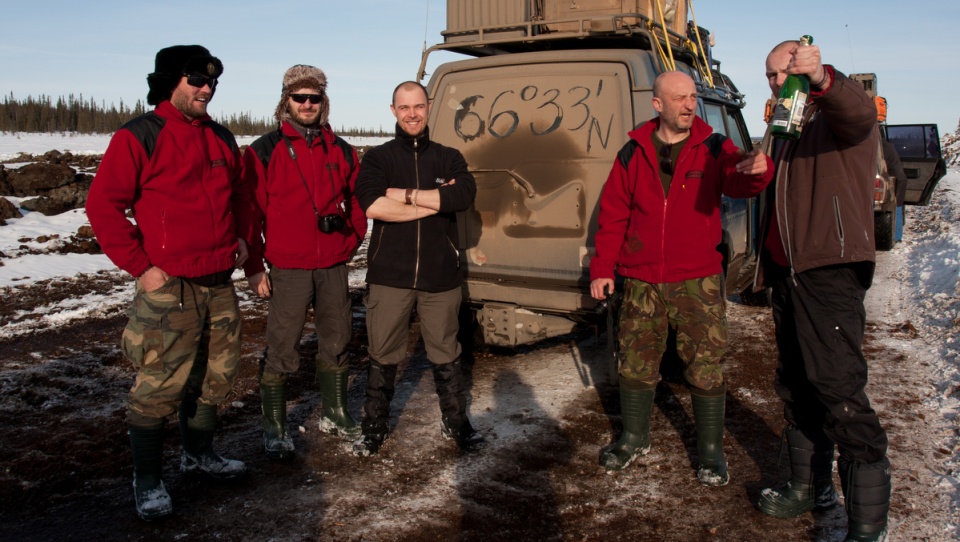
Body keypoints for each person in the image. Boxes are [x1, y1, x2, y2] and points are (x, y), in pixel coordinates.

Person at [85, 45, 260, 520]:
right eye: (195, 80)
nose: (206, 89)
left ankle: (198, 455)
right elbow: (103, 205)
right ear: (169, 82)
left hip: (219, 281)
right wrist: (141, 266)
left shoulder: (222, 138)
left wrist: (243, 238)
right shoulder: (140, 135)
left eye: (211, 83)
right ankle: (147, 480)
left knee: (216, 378)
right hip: (171, 288)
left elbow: (241, 193)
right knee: (160, 386)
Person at [589, 71, 773, 485]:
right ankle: (634, 437)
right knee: (635, 363)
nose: (690, 105)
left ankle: (710, 452)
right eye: (680, 99)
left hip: (698, 280)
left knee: (705, 366)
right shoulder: (632, 152)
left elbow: (739, 180)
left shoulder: (713, 146)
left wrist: (757, 170)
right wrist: (603, 267)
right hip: (641, 278)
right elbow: (614, 215)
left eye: (692, 97)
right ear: (658, 105)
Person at [754, 40, 891, 542]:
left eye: (781, 72)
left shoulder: (835, 112)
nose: (775, 81)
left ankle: (866, 525)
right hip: (788, 274)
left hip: (828, 270)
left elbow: (858, 114)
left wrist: (822, 77)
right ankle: (809, 488)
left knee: (839, 392)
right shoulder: (785, 125)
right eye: (768, 75)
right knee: (797, 387)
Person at [242, 65, 367, 460]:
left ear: (323, 101)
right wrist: (255, 267)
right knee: (283, 345)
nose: (308, 104)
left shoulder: (343, 151)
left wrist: (351, 240)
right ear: (287, 101)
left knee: (337, 339)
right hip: (288, 267)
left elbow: (359, 201)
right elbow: (250, 213)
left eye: (314, 98)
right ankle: (275, 426)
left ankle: (335, 412)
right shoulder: (264, 150)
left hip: (333, 265)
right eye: (300, 97)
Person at [352, 81, 482, 456]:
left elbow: (463, 195)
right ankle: (374, 426)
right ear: (393, 110)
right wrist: (435, 202)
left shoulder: (448, 157)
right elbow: (373, 205)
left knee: (446, 351)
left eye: (418, 106)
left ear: (429, 108)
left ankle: (456, 421)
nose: (412, 113)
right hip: (389, 275)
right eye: (404, 107)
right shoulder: (378, 158)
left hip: (440, 276)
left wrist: (405, 195)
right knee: (383, 352)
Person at [881, 134, 908, 243]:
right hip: (900, 178)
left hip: (896, 179)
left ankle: (897, 236)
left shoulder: (882, 147)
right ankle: (898, 235)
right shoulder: (888, 145)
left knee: (896, 206)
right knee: (899, 206)